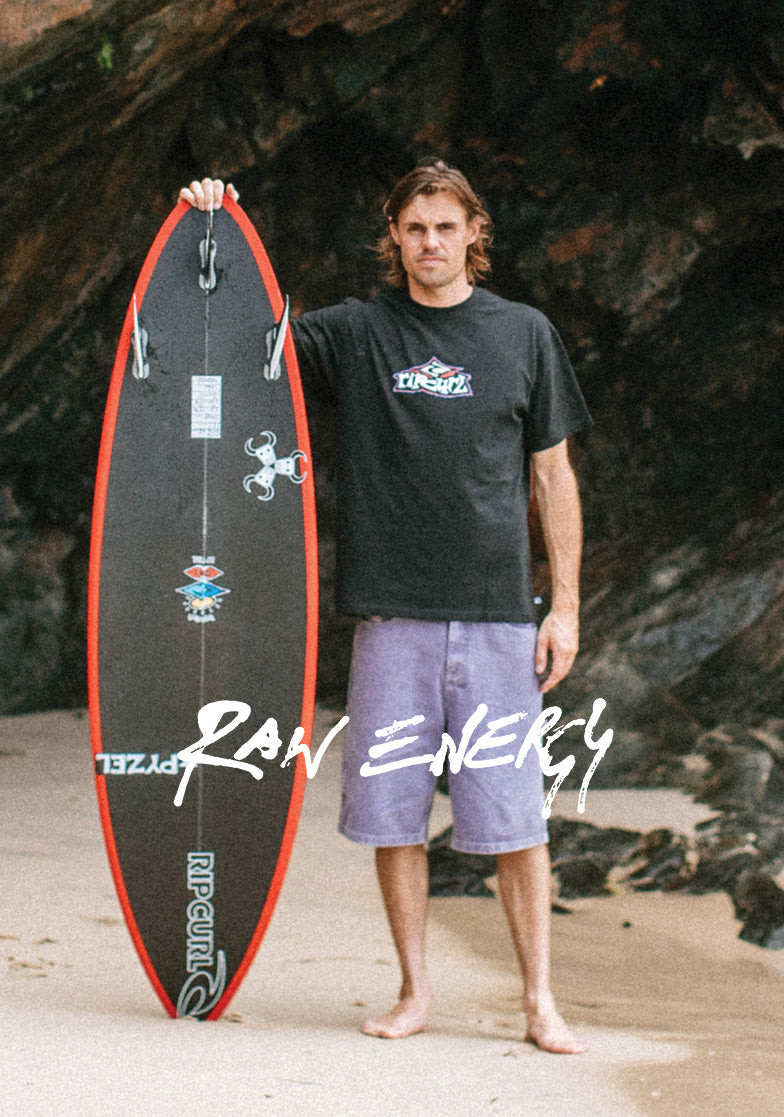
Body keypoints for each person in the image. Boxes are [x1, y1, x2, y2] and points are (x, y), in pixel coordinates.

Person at [180, 164, 591, 1054]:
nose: (430, 243)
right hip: (391, 621)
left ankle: (539, 1002)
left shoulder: (524, 333)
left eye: (446, 227)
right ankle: (414, 992)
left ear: (473, 232)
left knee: (515, 824)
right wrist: (214, 228)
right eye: (414, 228)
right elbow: (250, 331)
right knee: (393, 817)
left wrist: (564, 608)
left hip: (497, 621)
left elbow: (553, 475)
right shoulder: (360, 332)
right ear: (394, 236)